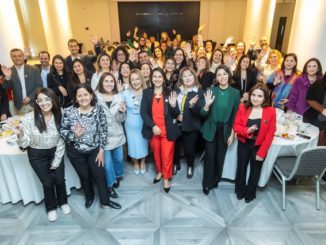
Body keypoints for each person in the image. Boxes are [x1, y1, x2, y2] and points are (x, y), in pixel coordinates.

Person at [5, 88, 70, 221]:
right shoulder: (29, 118)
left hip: (55, 151)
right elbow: (24, 144)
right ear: (36, 102)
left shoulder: (60, 114)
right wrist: (20, 134)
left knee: (59, 179)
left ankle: (63, 202)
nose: (44, 103)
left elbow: (62, 140)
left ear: (53, 100)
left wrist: (56, 161)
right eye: (40, 100)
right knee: (47, 183)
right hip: (36, 155)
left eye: (47, 99)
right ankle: (51, 208)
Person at [60, 83, 121, 209]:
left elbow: (103, 130)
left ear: (91, 95)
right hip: (75, 152)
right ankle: (89, 197)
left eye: (85, 94)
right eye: (80, 95)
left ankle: (105, 201)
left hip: (95, 151)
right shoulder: (68, 111)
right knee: (84, 176)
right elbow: (62, 131)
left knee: (99, 175)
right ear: (76, 98)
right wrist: (74, 136)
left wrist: (101, 149)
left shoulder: (98, 109)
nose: (83, 98)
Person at [201, 64, 240, 195]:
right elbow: (202, 114)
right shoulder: (211, 91)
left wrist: (232, 133)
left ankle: (216, 179)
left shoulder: (235, 94)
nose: (222, 77)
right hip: (210, 128)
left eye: (224, 74)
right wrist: (206, 105)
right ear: (216, 78)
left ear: (229, 75)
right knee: (210, 157)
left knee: (220, 157)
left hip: (225, 130)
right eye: (219, 75)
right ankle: (206, 183)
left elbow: (235, 115)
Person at [233, 83, 276, 203]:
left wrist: (262, 153)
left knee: (255, 170)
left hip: (259, 146)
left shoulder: (271, 111)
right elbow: (236, 125)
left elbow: (270, 134)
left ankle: (250, 193)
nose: (255, 98)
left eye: (259, 96)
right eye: (253, 95)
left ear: (265, 98)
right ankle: (240, 190)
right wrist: (247, 130)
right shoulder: (243, 107)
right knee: (241, 168)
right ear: (250, 95)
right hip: (244, 142)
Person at [140, 68, 181, 193]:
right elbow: (144, 112)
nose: (157, 79)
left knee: (167, 155)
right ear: (151, 79)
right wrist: (153, 126)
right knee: (156, 154)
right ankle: (159, 172)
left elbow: (176, 114)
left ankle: (166, 178)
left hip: (167, 130)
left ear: (163, 79)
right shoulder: (147, 92)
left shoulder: (170, 92)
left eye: (159, 77)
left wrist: (174, 106)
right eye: (154, 76)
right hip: (153, 130)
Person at [95, 73, 126, 199]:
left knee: (118, 159)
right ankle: (110, 185)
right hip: (104, 137)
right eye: (106, 81)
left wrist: (120, 112)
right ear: (101, 82)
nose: (109, 84)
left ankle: (118, 175)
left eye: (111, 81)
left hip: (117, 134)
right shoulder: (95, 97)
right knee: (107, 164)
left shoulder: (119, 97)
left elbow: (121, 120)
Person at [174, 67, 204, 178]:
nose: (187, 78)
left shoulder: (199, 92)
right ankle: (175, 163)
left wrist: (191, 106)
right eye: (184, 76)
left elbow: (200, 112)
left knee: (189, 148)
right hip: (176, 124)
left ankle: (190, 165)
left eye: (190, 75)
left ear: (194, 77)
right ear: (181, 78)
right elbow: (172, 106)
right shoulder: (177, 90)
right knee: (175, 146)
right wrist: (176, 114)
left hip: (192, 125)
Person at [122, 69, 149, 175]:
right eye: (132, 79)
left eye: (137, 79)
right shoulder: (125, 93)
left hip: (143, 123)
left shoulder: (147, 92)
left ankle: (142, 161)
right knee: (132, 144)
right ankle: (135, 161)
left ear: (141, 80)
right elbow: (119, 104)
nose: (135, 81)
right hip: (130, 124)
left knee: (143, 143)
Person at [1, 48, 43, 115]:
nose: (17, 58)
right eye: (14, 56)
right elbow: (4, 88)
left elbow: (39, 86)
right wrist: (8, 77)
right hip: (19, 107)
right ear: (11, 57)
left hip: (33, 104)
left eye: (19, 56)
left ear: (23, 56)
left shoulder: (34, 69)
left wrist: (30, 97)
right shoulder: (9, 71)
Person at [303, 72, 326, 146]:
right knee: (309, 143)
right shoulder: (319, 83)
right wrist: (322, 109)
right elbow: (309, 99)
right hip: (314, 119)